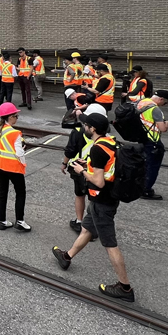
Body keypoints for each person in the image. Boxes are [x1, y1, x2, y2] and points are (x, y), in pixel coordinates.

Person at [51, 113, 134, 302]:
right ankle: (67, 256)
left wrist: (81, 171)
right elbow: (105, 169)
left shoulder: (97, 149)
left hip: (102, 201)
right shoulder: (110, 142)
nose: (84, 128)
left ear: (93, 129)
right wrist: (86, 165)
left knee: (110, 244)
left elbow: (98, 181)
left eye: (86, 125)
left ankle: (125, 287)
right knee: (87, 228)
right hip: (107, 198)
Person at [62, 104, 108, 233]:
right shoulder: (105, 135)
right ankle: (93, 222)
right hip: (96, 171)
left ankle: (80, 221)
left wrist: (64, 164)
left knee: (79, 195)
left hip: (78, 169)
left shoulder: (77, 132)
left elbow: (70, 151)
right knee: (94, 198)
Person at [0, 102, 31, 232]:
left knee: (2, 193)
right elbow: (19, 153)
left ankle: (2, 221)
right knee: (20, 193)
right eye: (16, 116)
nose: (17, 118)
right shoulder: (15, 134)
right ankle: (20, 221)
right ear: (10, 117)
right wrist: (23, 148)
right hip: (14, 168)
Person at [137, 90, 168, 200]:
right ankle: (146, 190)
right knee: (152, 167)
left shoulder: (142, 102)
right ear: (161, 99)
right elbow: (162, 128)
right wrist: (167, 123)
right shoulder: (155, 109)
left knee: (143, 165)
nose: (166, 104)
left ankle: (138, 186)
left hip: (141, 138)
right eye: (166, 102)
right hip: (152, 141)